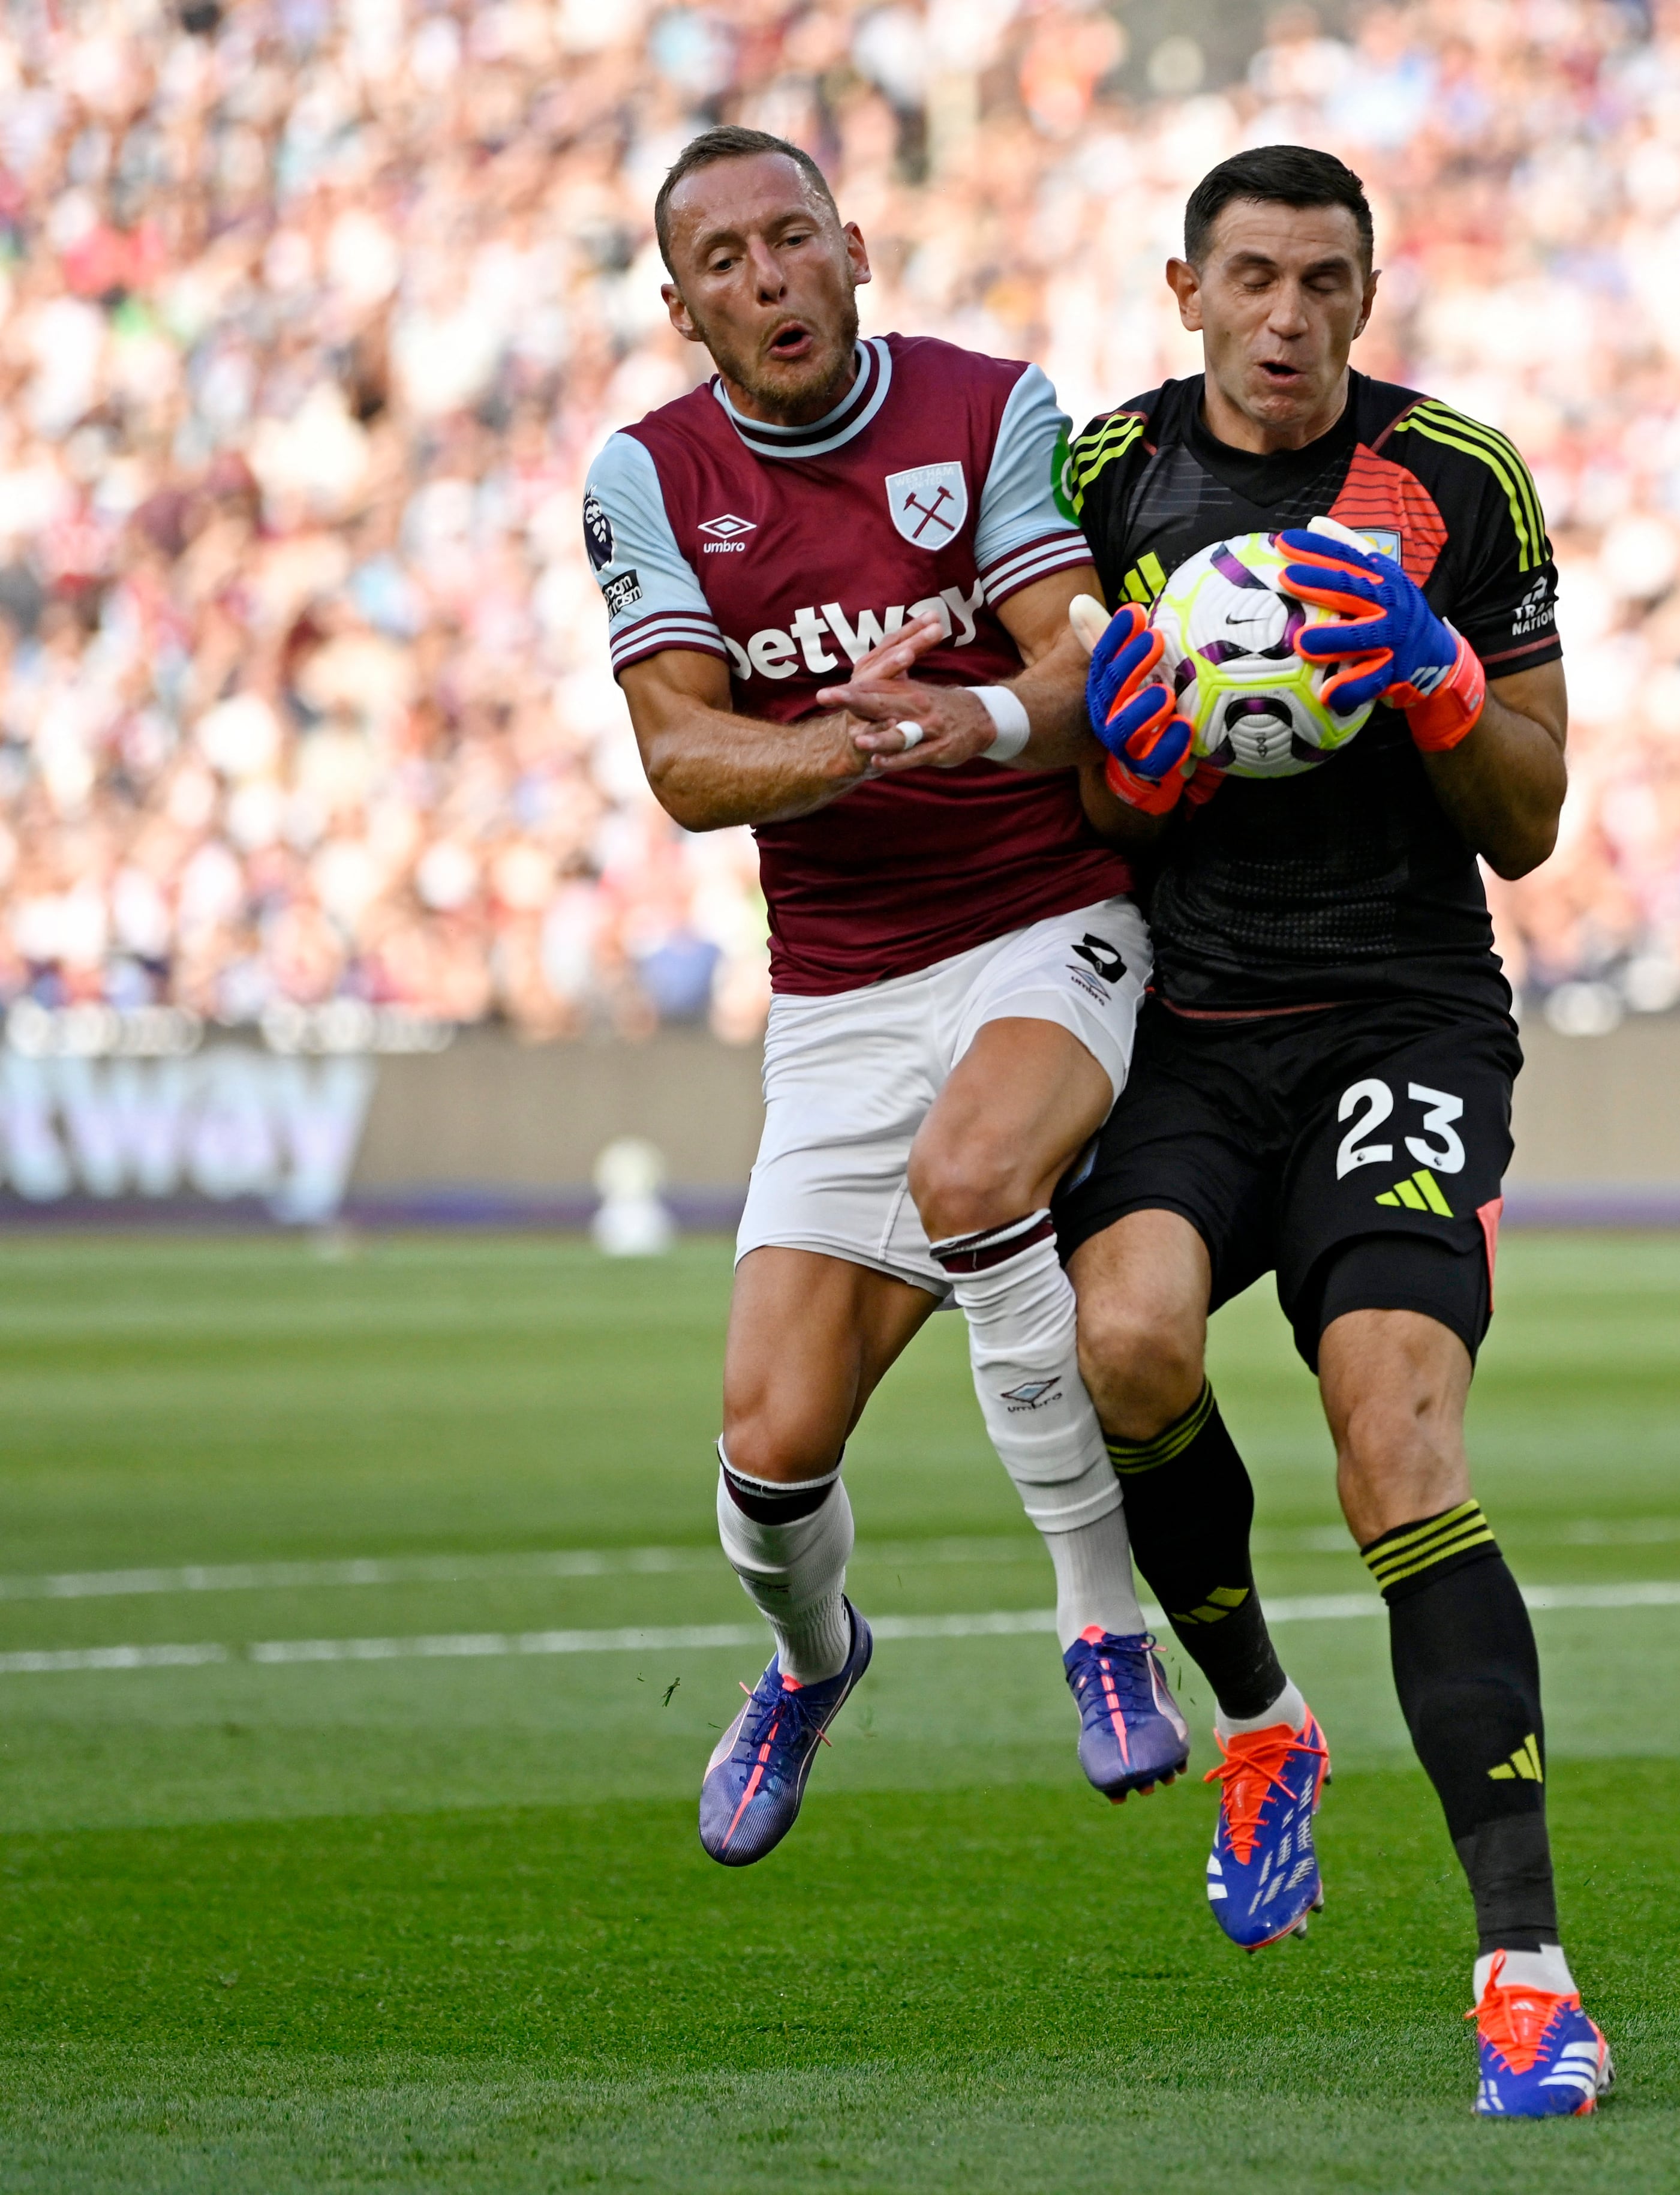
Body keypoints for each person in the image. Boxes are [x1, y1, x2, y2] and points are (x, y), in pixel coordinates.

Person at [1058, 146, 1609, 2118]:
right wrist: (1121, 769)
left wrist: (1448, 691)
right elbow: (1079, 812)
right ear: (1186, 289)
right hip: (1187, 1030)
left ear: (1369, 299)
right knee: (1121, 1345)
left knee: (1398, 1446)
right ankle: (1264, 1719)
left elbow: (1534, 817)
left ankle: (1527, 1973)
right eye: (1253, 278)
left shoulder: (1458, 479)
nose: (1288, 316)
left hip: (1400, 1016)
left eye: (1325, 283)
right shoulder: (1103, 481)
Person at [587, 127, 1189, 1868]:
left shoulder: (990, 407)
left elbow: (1086, 661)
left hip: (1043, 922)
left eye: (793, 239)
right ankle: (812, 1656)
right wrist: (848, 738)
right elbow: (685, 759)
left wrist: (975, 717)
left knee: (979, 1175)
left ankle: (1100, 1624)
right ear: (683, 303)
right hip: (843, 994)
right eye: (725, 260)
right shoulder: (647, 475)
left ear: (855, 248)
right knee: (770, 1452)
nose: (767, 277)